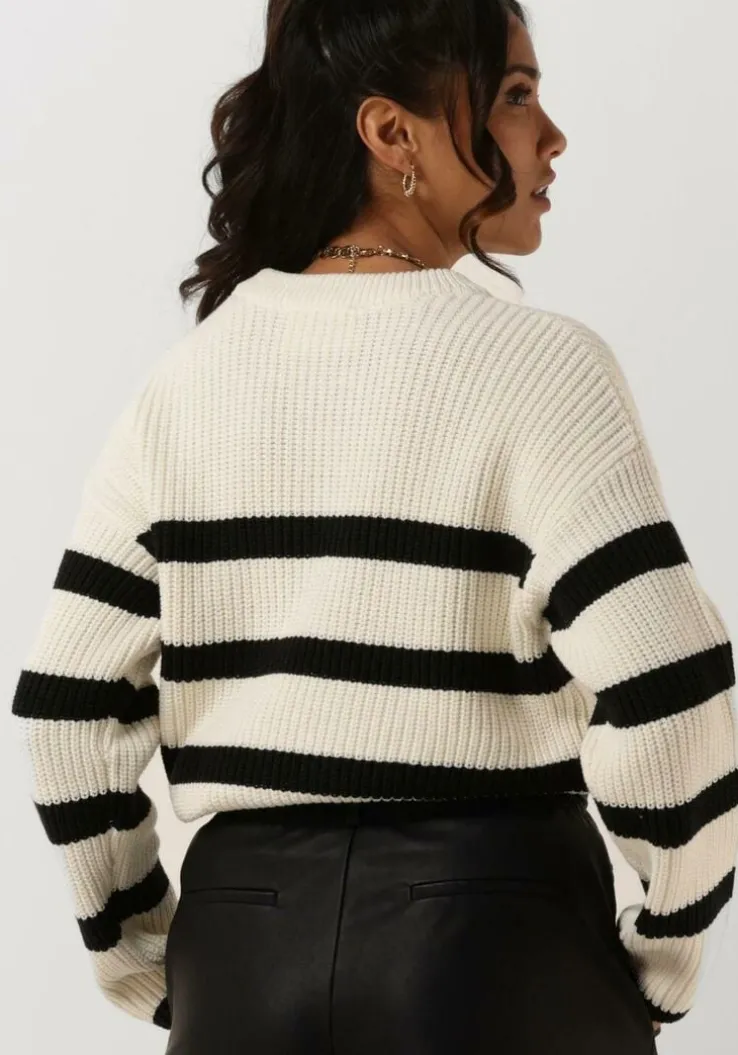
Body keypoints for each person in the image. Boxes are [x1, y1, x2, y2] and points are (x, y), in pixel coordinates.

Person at [10, 1, 738, 1052]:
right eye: (516, 96)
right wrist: (662, 960)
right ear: (393, 134)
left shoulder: (186, 385)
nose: (552, 136)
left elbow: (65, 709)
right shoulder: (543, 372)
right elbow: (674, 697)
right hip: (494, 947)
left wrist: (153, 955)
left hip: (244, 950)